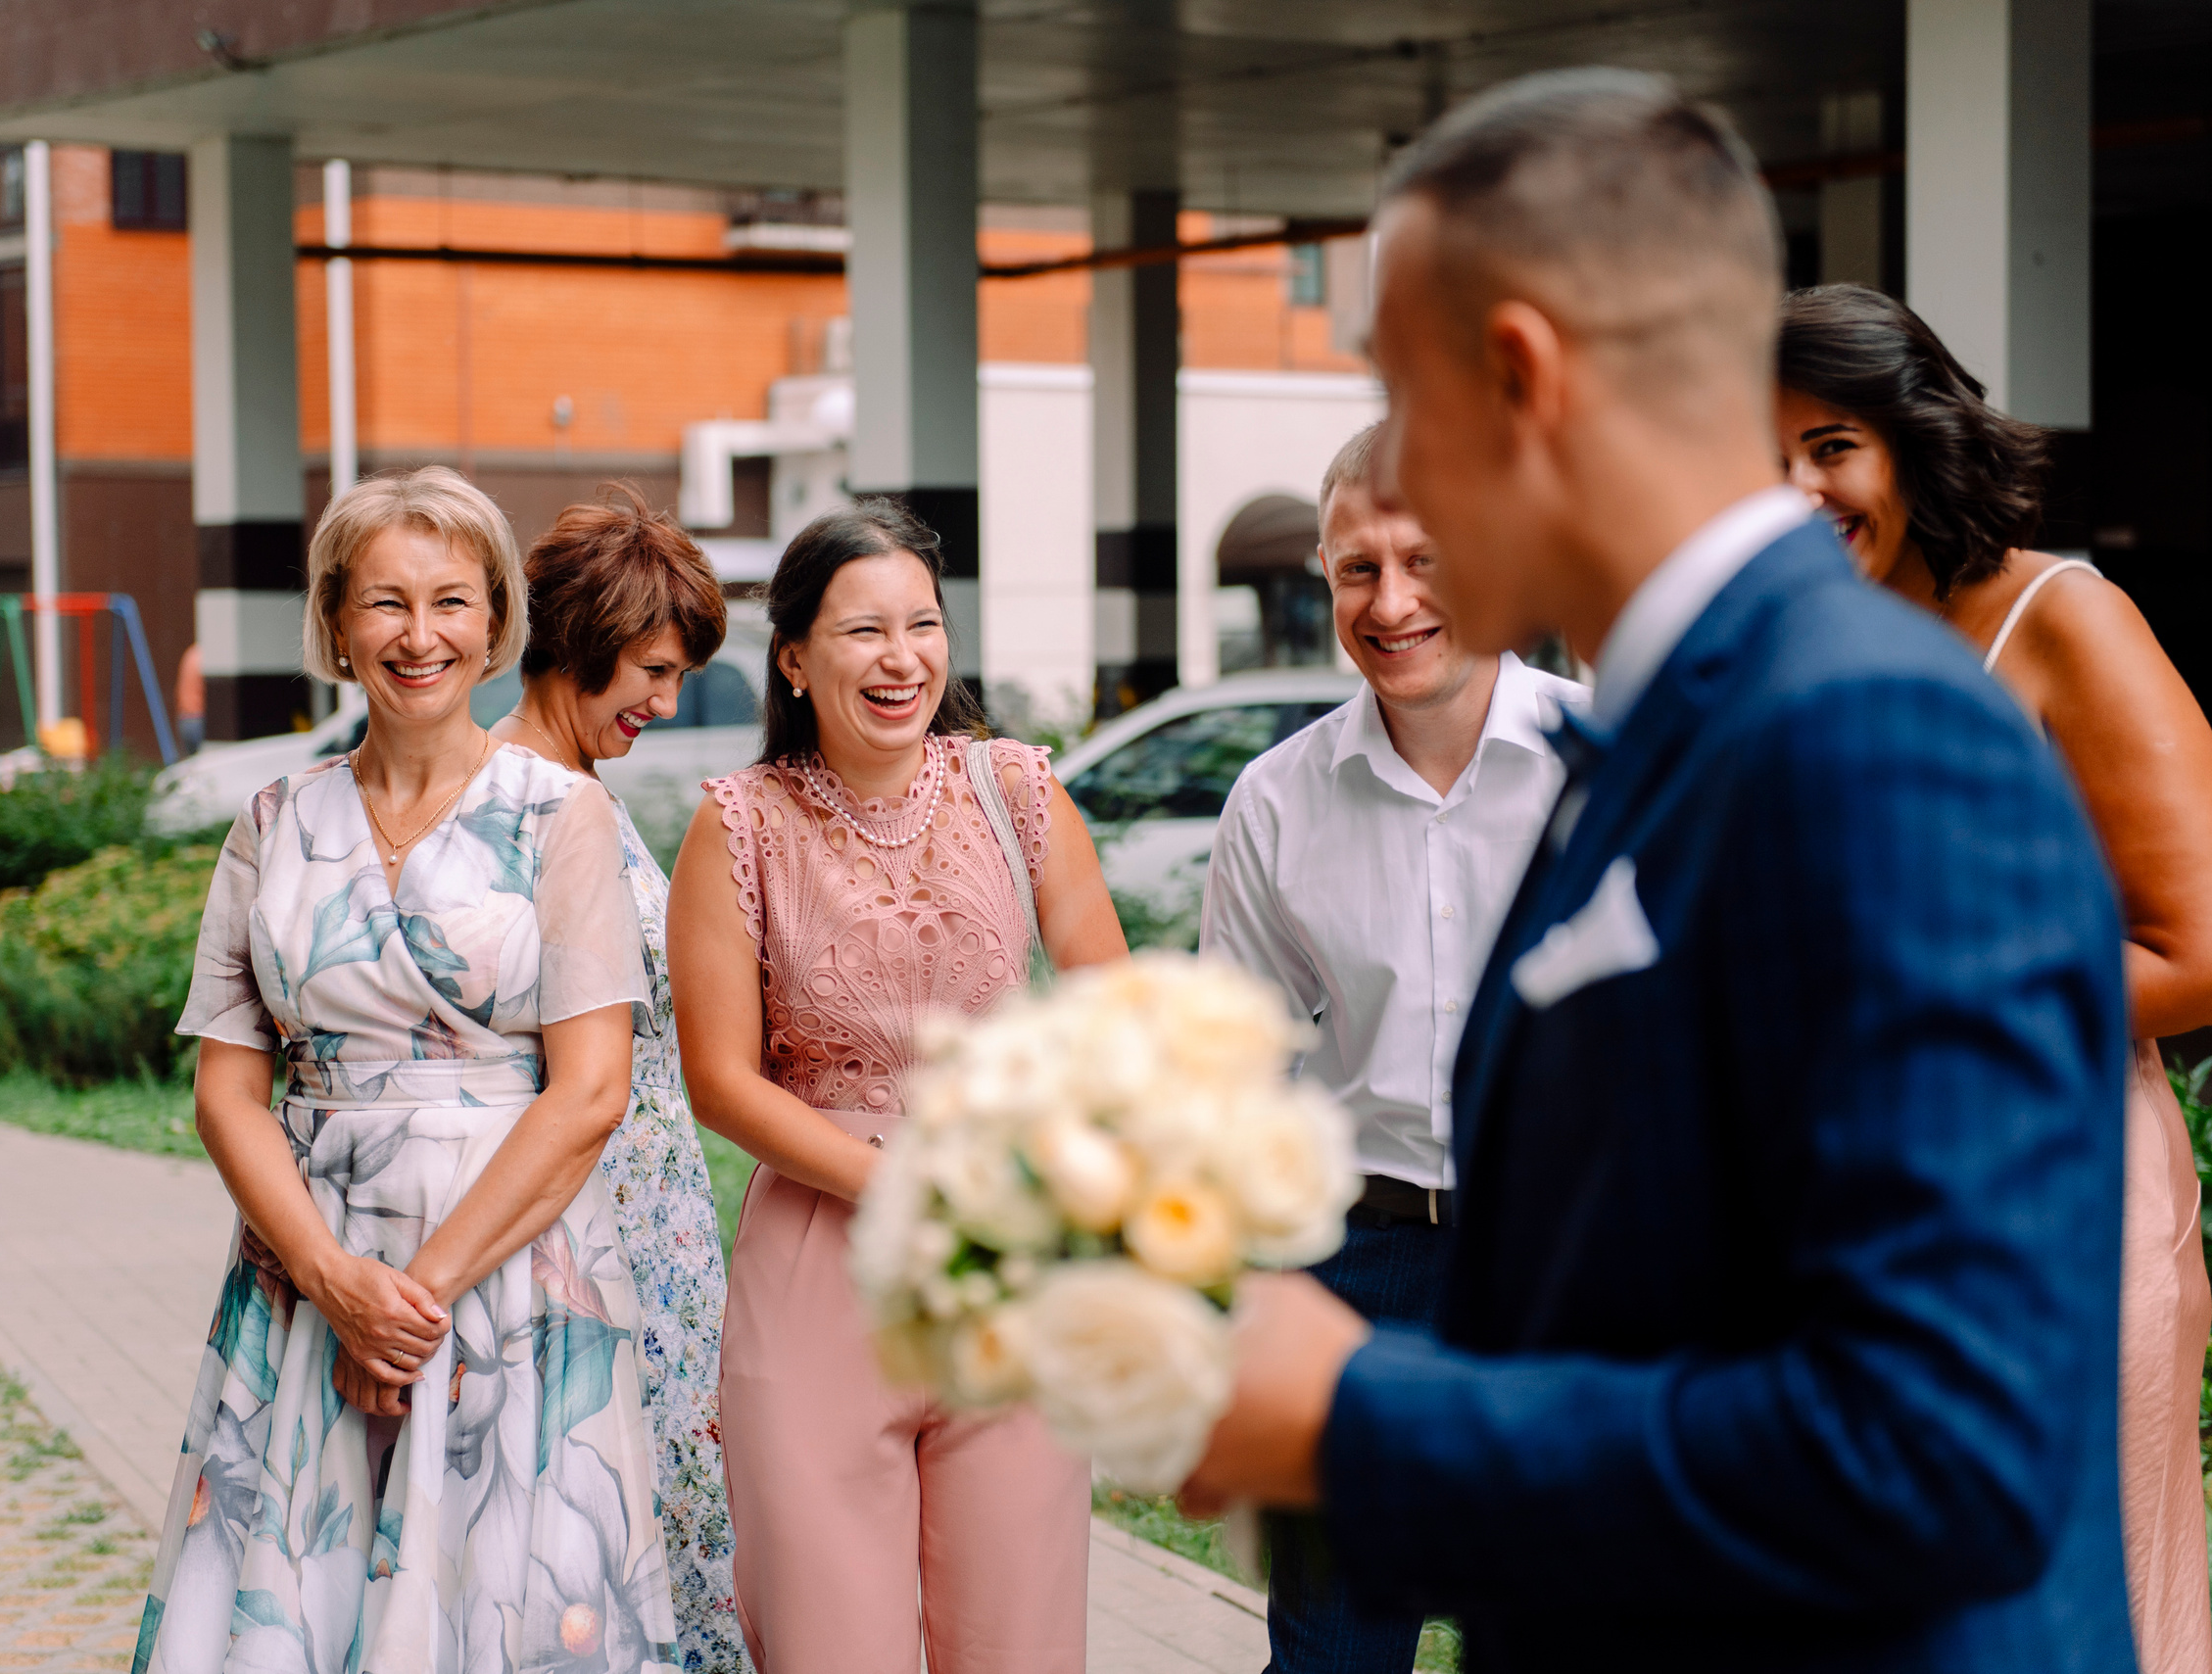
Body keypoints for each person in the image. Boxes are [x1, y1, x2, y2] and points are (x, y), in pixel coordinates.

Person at [1179, 69, 2134, 1673]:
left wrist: (1367, 1415)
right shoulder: (1658, 730)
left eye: (1396, 390)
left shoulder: (1877, 736)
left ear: (1515, 370)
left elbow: (1944, 1445)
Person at [137, 466, 678, 1674]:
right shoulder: (272, 820)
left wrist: (408, 1307)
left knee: (494, 1604)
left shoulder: (561, 816)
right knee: (295, 1608)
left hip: (507, 1278)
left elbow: (589, 1091)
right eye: (384, 602)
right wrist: (336, 1283)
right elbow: (227, 1089)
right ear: (336, 624)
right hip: (305, 1271)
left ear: (495, 622)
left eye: (449, 600)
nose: (418, 634)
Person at [1776, 282, 2212, 1673]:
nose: (1795, 489)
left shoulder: (2061, 616)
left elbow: (2196, 950)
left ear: (1914, 439)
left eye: (1831, 443)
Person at [664, 499, 1129, 1674]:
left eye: (922, 624)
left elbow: (1113, 1010)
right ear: (794, 656)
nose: (901, 657)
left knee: (1016, 1635)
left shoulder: (1017, 791)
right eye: (864, 629)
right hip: (822, 1259)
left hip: (1007, 1249)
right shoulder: (736, 826)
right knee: (829, 1640)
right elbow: (718, 1078)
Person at [1200, 418, 1585, 1674]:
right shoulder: (1277, 798)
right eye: (1357, 567)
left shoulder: (1617, 767)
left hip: (1567, 1272)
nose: (1393, 600)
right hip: (1356, 1268)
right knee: (1329, 1654)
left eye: (1425, 559)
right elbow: (1233, 1071)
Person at [490, 484, 746, 1673]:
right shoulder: (510, 804)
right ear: (579, 642)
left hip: (658, 1222)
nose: (665, 700)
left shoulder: (581, 789)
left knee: (683, 1527)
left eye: (680, 672)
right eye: (650, 667)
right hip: (583, 1233)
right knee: (605, 1548)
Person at [173, 642, 204, 754]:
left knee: (192, 762)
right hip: (199, 718)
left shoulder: (191, 653)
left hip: (184, 718)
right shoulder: (204, 656)